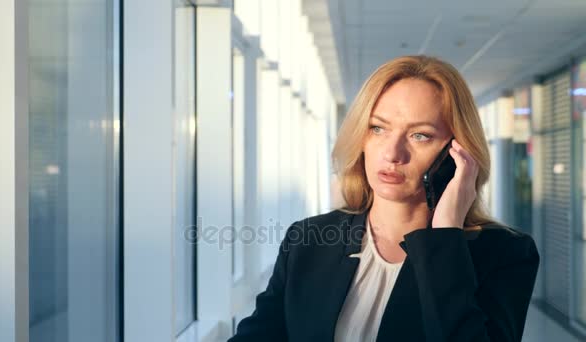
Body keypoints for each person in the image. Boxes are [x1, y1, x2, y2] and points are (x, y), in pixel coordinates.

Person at [228, 55, 540, 342]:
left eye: (420, 135)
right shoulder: (308, 239)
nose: (392, 154)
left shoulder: (505, 253)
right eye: (378, 128)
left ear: (458, 153)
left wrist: (446, 236)